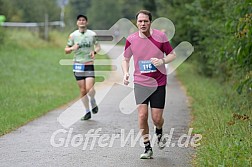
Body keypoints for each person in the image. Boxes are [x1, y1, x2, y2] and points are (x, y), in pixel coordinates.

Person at [122, 10, 176, 159]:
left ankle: (159, 130)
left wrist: (162, 61)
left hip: (158, 82)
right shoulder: (131, 39)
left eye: (145, 21)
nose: (143, 24)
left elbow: (172, 54)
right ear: (136, 23)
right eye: (140, 21)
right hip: (140, 82)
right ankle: (147, 148)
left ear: (150, 22)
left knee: (157, 118)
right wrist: (126, 72)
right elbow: (125, 59)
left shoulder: (160, 37)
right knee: (142, 115)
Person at [65, 14, 101, 120]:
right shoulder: (73, 35)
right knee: (82, 90)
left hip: (88, 64)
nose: (81, 22)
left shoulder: (92, 34)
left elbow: (98, 46)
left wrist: (94, 51)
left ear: (87, 22)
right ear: (77, 23)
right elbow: (66, 50)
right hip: (78, 65)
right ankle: (87, 112)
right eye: (79, 20)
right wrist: (72, 48)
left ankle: (93, 101)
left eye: (83, 20)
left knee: (90, 89)